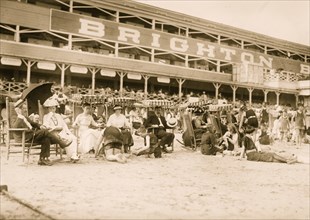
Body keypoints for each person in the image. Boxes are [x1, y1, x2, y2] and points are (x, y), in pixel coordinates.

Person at [13, 101, 72, 166]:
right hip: (26, 137)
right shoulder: (18, 119)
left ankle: (43, 159)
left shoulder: (25, 117)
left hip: (33, 135)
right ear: (18, 110)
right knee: (46, 131)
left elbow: (34, 124)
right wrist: (32, 130)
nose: (26, 110)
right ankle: (61, 142)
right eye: (24, 109)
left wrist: (40, 126)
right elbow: (15, 129)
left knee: (46, 138)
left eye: (25, 108)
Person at [42, 97, 79, 162]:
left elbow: (63, 126)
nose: (53, 109)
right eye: (51, 108)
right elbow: (46, 126)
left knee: (73, 138)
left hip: (61, 132)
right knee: (66, 138)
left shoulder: (58, 116)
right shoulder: (46, 116)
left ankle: (73, 155)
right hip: (53, 134)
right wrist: (50, 116)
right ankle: (72, 155)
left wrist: (66, 131)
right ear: (48, 108)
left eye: (54, 108)